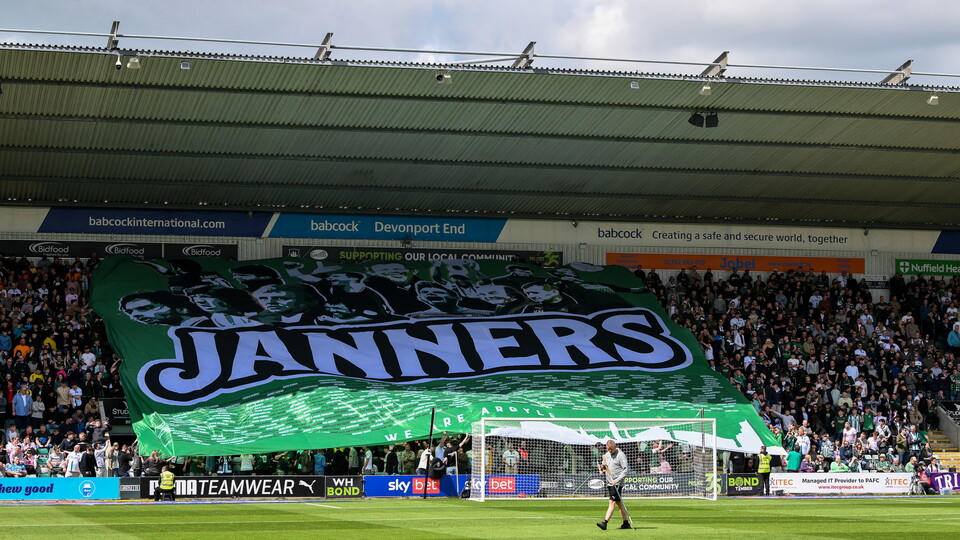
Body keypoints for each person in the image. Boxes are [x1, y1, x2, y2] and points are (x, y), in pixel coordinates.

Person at [597, 439, 632, 531]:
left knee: (611, 502)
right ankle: (626, 523)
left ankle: (605, 522)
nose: (609, 451)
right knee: (619, 503)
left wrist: (617, 480)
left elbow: (625, 470)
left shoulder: (621, 455)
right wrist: (603, 464)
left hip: (617, 483)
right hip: (610, 482)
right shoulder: (607, 455)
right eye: (608, 449)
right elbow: (606, 470)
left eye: (611, 449)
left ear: (615, 447)